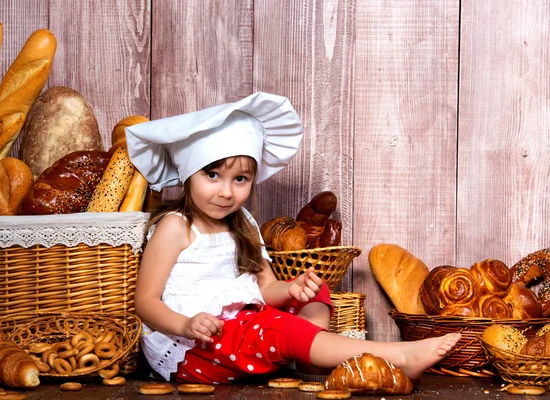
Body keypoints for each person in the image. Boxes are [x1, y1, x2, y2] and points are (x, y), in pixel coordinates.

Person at [126, 92, 461, 384]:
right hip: (195, 350)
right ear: (188, 172)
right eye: (212, 175)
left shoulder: (242, 222)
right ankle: (394, 356)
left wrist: (292, 289)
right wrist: (186, 325)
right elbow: (146, 301)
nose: (226, 192)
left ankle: (305, 352)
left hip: (243, 332)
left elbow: (265, 289)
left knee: (318, 292)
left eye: (240, 178)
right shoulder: (176, 226)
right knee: (276, 328)